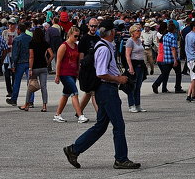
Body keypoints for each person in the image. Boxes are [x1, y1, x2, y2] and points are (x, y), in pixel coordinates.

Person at [62, 20, 140, 170]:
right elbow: (101, 73)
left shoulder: (104, 46)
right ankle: (121, 159)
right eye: (115, 31)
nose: (116, 33)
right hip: (107, 90)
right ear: (111, 32)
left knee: (101, 126)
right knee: (118, 125)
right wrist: (119, 79)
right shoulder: (104, 49)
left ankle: (74, 149)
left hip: (105, 90)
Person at [53, 26, 87, 123]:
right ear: (70, 35)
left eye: (78, 37)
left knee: (66, 94)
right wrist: (57, 75)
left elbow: (77, 61)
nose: (77, 38)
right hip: (65, 73)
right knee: (74, 93)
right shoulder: (64, 46)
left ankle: (58, 114)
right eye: (75, 36)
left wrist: (78, 71)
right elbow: (58, 61)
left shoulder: (76, 46)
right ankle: (80, 115)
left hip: (72, 73)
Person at [22, 26, 52, 112]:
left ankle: (26, 105)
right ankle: (44, 106)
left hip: (34, 67)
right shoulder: (45, 43)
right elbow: (51, 54)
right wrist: (48, 62)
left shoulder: (32, 43)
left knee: (30, 86)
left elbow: (31, 56)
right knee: (43, 87)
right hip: (43, 67)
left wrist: (30, 68)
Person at [124, 24, 148, 112]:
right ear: (132, 32)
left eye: (140, 30)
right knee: (132, 86)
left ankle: (138, 104)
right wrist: (130, 67)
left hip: (140, 64)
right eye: (137, 30)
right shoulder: (130, 41)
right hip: (133, 63)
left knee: (138, 85)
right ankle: (131, 105)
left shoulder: (139, 41)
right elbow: (127, 55)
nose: (139, 32)